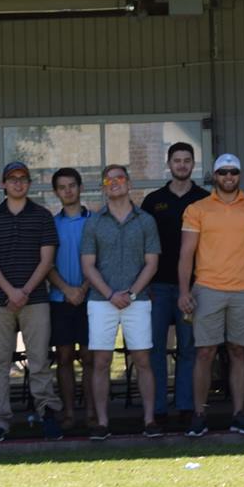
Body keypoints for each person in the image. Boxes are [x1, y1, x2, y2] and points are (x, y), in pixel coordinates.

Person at [178, 153, 244, 436]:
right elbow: (186, 253)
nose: (228, 177)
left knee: (239, 351)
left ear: (240, 175)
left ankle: (239, 414)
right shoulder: (197, 209)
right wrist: (184, 290)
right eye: (223, 172)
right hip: (208, 289)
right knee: (205, 352)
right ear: (214, 176)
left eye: (233, 172)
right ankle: (199, 414)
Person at [0, 160, 60, 441]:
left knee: (39, 361)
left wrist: (24, 291)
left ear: (29, 183)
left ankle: (47, 412)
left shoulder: (43, 216)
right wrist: (11, 292)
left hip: (35, 300)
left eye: (23, 178)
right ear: (3, 183)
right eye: (12, 178)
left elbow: (47, 260)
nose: (17, 182)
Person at [79, 164, 163, 438]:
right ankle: (102, 423)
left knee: (142, 359)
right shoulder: (94, 222)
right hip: (101, 301)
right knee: (101, 361)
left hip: (137, 301)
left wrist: (131, 294)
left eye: (120, 178)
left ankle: (149, 420)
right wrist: (110, 294)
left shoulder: (146, 221)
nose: (114, 183)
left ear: (129, 184)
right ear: (103, 187)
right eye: (108, 180)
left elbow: (152, 263)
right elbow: (88, 265)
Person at [141, 142, 207, 430]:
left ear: (193, 164)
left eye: (187, 160)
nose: (182, 165)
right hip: (157, 286)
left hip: (193, 288)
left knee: (188, 348)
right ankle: (158, 409)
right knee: (155, 349)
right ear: (168, 164)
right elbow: (143, 244)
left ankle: (185, 407)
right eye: (177, 160)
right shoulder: (153, 201)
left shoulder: (204, 199)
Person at [45, 167, 91, 432]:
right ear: (56, 192)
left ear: (80, 187)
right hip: (59, 299)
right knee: (63, 357)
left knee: (89, 357)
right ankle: (69, 413)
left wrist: (83, 288)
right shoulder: (51, 224)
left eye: (72, 185)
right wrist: (67, 290)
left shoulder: (94, 221)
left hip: (90, 297)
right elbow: (46, 264)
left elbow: (101, 260)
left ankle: (92, 412)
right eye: (62, 187)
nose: (68, 191)